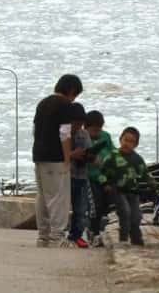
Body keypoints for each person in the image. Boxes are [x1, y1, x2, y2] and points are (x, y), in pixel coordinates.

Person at [32, 74, 84, 248]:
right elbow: (64, 133)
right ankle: (57, 237)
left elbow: (35, 130)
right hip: (56, 157)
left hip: (39, 155)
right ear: (71, 91)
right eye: (75, 95)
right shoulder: (66, 106)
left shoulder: (42, 103)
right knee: (58, 198)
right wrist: (67, 157)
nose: (74, 98)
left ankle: (43, 236)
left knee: (42, 197)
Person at [98, 127, 157, 247]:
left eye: (131, 142)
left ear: (135, 144)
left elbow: (145, 173)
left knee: (136, 216)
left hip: (133, 191)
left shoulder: (137, 159)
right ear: (120, 140)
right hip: (118, 191)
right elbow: (101, 173)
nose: (127, 144)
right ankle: (123, 239)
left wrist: (153, 184)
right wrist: (105, 184)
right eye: (125, 140)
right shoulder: (112, 157)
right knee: (125, 212)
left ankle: (136, 238)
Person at [85, 110, 115, 247]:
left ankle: (99, 231)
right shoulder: (83, 138)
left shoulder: (105, 136)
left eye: (99, 129)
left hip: (106, 177)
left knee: (106, 205)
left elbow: (113, 152)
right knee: (95, 206)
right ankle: (94, 232)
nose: (96, 132)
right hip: (91, 177)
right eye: (93, 130)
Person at [66, 103, 91, 248]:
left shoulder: (84, 134)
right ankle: (59, 233)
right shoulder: (64, 134)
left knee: (81, 209)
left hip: (81, 175)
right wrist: (72, 155)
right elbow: (58, 154)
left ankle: (77, 235)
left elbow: (89, 150)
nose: (77, 127)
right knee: (62, 208)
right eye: (75, 124)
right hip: (66, 175)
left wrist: (91, 156)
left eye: (80, 124)